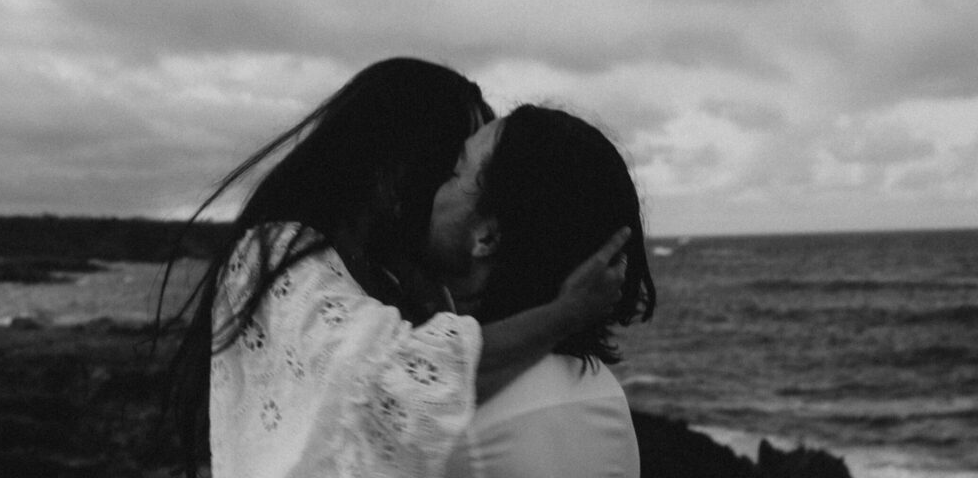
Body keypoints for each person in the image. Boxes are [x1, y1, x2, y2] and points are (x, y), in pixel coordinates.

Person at [156, 59, 631, 478]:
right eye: (452, 167)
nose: (452, 187)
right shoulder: (281, 255)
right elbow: (392, 379)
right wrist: (564, 313)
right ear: (396, 174)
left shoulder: (398, 283)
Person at [426, 104, 657, 478]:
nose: (431, 188)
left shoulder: (448, 421)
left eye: (453, 173)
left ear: (487, 236)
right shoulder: (602, 389)